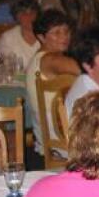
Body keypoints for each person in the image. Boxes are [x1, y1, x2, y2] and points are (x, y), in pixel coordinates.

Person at [25, 10, 80, 168]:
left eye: (66, 31)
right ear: (41, 37)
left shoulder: (38, 58)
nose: (64, 37)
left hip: (47, 137)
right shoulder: (51, 59)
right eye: (56, 33)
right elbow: (90, 70)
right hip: (62, 138)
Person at [0, 0, 40, 67]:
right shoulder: (7, 38)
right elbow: (4, 66)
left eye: (32, 13)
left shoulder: (46, 35)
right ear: (17, 17)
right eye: (24, 13)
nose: (29, 17)